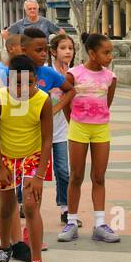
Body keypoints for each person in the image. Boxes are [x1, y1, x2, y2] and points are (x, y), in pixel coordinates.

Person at [0, 53, 53, 262]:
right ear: (8, 80)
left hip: (33, 156)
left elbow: (47, 140)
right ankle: (5, 247)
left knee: (30, 205)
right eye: (18, 82)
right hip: (6, 157)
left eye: (29, 82)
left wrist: (39, 174)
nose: (23, 88)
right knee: (6, 205)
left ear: (36, 80)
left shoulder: (43, 100)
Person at [55, 33, 120, 243]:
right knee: (76, 176)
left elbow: (106, 104)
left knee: (99, 177)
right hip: (78, 129)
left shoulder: (110, 77)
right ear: (92, 53)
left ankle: (100, 224)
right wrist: (74, 121)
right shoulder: (74, 74)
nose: (110, 56)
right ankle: (71, 222)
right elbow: (66, 101)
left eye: (111, 52)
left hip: (101, 129)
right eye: (106, 52)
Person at [46, 32, 76, 221]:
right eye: (63, 48)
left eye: (71, 48)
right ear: (54, 51)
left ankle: (65, 208)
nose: (67, 52)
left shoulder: (74, 73)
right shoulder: (46, 72)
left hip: (64, 130)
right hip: (41, 129)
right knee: (32, 170)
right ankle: (22, 203)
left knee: (63, 170)